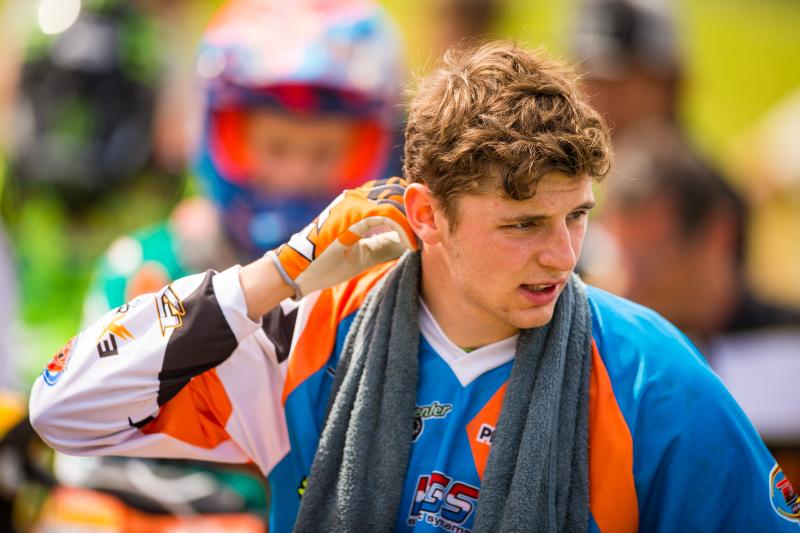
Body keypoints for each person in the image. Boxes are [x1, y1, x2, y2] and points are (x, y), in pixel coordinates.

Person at [29, 41, 799, 532]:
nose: (564, 256)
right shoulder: (311, 339)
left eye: (577, 217)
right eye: (524, 224)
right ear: (427, 214)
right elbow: (66, 408)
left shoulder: (648, 373)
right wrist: (279, 271)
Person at [82, 0, 405, 323]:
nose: (296, 173)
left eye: (325, 152)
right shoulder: (153, 271)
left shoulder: (391, 275)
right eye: (276, 148)